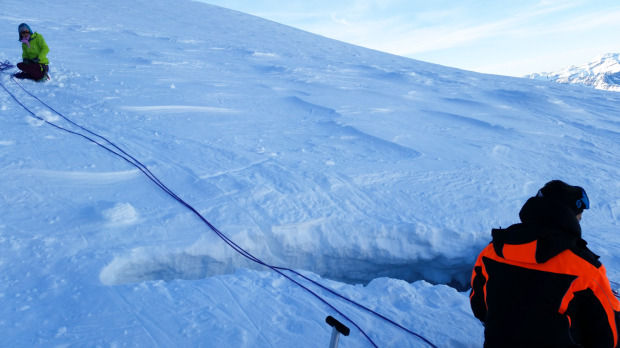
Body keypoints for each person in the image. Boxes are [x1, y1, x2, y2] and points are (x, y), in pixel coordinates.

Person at [470, 180, 620, 347]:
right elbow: (610, 336)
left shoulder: (491, 252)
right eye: (579, 215)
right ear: (569, 216)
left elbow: (479, 306)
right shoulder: (585, 268)